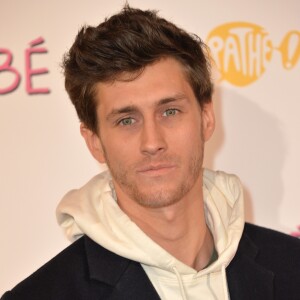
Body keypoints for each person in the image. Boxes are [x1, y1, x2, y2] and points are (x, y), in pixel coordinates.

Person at [2, 5, 300, 300]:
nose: (152, 142)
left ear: (207, 118)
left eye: (170, 111)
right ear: (93, 141)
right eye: (126, 120)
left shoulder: (292, 266)